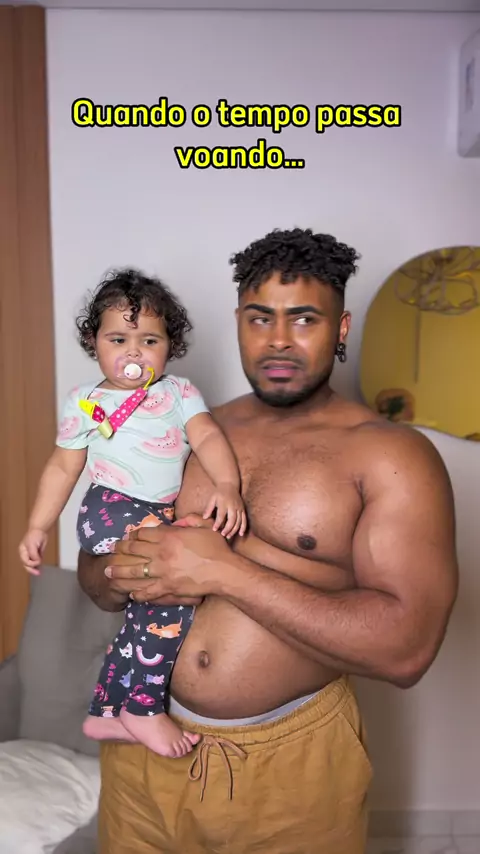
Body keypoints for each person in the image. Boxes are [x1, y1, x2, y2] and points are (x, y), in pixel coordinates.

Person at [78, 228, 458, 854]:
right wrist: (122, 572)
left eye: (304, 318)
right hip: (145, 748)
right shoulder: (182, 429)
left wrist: (222, 572)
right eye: (260, 318)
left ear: (341, 328)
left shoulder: (391, 457)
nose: (279, 339)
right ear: (238, 324)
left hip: (290, 768)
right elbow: (95, 578)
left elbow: (406, 650)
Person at [19, 268, 246, 758]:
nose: (134, 353)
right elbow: (62, 467)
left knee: (145, 613)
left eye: (150, 341)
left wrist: (227, 485)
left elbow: (208, 437)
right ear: (93, 342)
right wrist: (38, 526)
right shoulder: (87, 403)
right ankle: (143, 707)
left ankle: (107, 711)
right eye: (118, 339)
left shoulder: (179, 394)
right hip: (110, 508)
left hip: (155, 513)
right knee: (172, 594)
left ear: (170, 346)